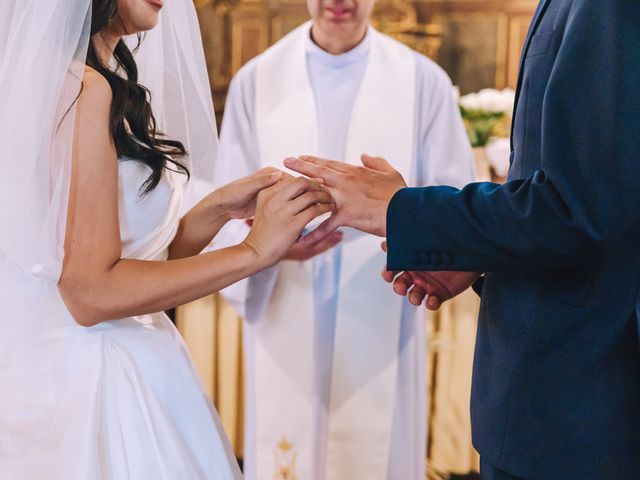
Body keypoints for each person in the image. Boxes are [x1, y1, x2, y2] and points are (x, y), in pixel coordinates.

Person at [285, 0, 640, 478]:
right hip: (550, 397)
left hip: (577, 400)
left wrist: (402, 210)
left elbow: (577, 209)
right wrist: (475, 255)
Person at [0, 0, 333, 478]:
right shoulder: (81, 88)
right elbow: (91, 293)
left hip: (108, 355)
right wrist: (255, 251)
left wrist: (217, 209)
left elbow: (126, 253)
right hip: (83, 381)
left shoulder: (86, 78)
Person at [215, 0, 474, 478]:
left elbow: (452, 197)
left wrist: (411, 230)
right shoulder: (259, 78)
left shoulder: (422, 82)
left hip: (380, 297)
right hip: (284, 294)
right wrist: (267, 246)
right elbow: (224, 199)